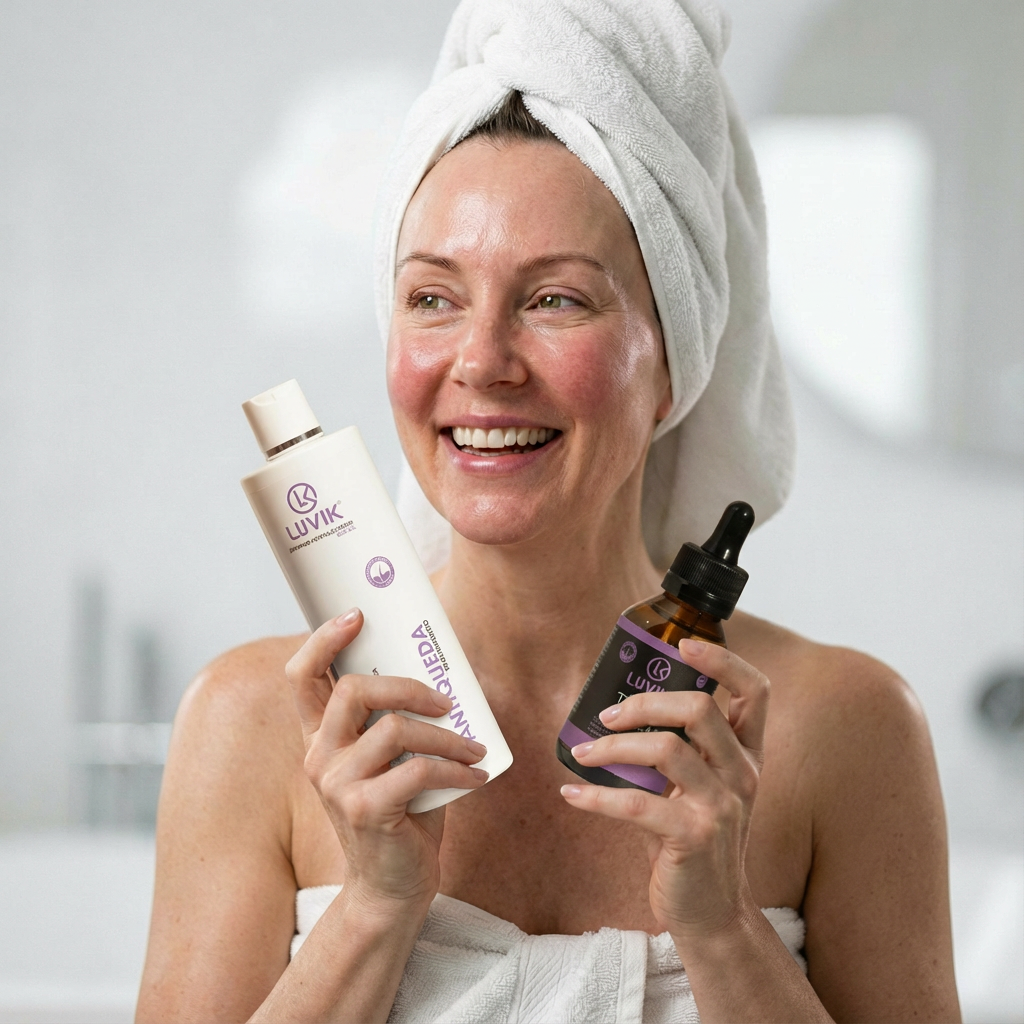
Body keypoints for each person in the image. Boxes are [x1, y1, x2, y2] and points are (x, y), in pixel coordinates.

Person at [136, 2, 960, 1021]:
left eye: (555, 299)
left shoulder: (845, 729)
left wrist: (720, 929)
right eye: (432, 298)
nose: (481, 361)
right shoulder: (253, 725)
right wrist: (374, 909)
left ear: (674, 363)